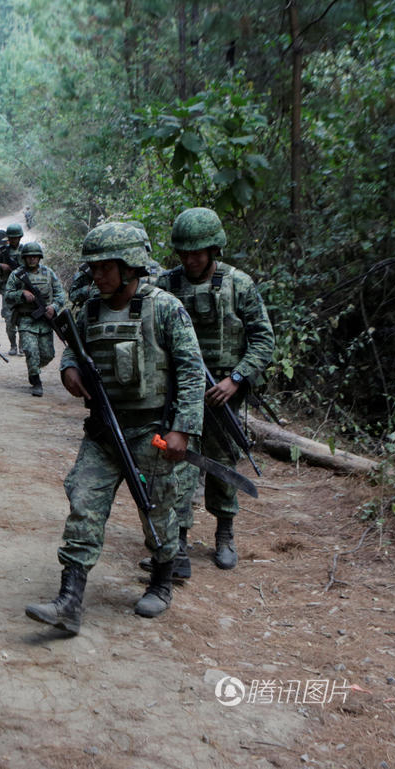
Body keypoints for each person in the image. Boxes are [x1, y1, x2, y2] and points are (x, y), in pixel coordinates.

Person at [25, 222, 204, 633]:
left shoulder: (165, 308)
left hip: (152, 429)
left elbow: (192, 372)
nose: (97, 275)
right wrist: (69, 370)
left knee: (157, 508)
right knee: (83, 503)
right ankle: (69, 601)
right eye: (95, 268)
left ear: (130, 268)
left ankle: (162, 581)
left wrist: (183, 429)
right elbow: (74, 349)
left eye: (106, 267)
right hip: (104, 431)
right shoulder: (88, 309)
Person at [150, 207, 275, 572]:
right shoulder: (166, 286)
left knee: (222, 464)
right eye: (184, 253)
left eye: (198, 252)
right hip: (180, 392)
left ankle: (224, 533)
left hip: (224, 392)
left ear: (213, 249)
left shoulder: (239, 284)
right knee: (179, 465)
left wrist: (236, 379)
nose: (190, 259)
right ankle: (180, 543)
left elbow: (263, 341)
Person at [3, 241, 66, 397]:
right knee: (31, 351)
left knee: (48, 354)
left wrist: (54, 307)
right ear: (24, 258)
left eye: (35, 257)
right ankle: (35, 380)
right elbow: (8, 295)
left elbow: (60, 294)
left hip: (44, 320)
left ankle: (34, 367)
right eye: (29, 257)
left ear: (39, 257)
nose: (32, 259)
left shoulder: (48, 273)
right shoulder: (17, 274)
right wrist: (21, 294)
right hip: (26, 320)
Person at [0, 223, 24, 354]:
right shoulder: (2, 251)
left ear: (20, 237)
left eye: (15, 237)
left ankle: (22, 346)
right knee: (9, 318)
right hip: (7, 288)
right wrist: (1, 266)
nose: (13, 240)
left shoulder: (25, 251)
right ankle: (13, 345)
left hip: (23, 287)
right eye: (11, 237)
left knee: (23, 318)